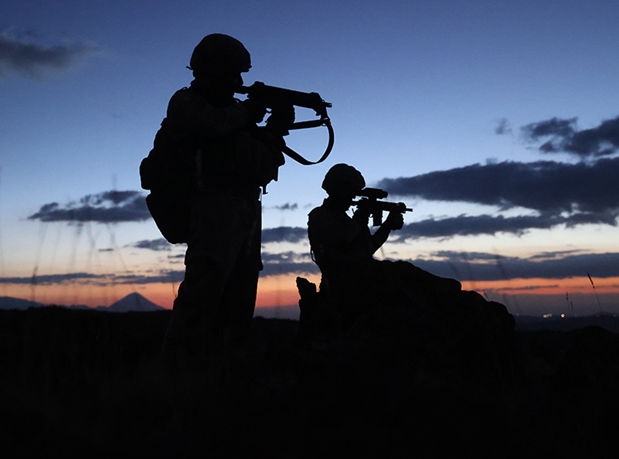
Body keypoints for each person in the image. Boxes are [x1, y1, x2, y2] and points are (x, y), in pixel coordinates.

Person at [160, 34, 294, 365]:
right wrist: (251, 110)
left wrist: (275, 129)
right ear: (213, 73)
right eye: (234, 75)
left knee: (239, 296)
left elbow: (258, 162)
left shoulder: (234, 113)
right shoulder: (187, 104)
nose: (239, 82)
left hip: (244, 209)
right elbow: (213, 127)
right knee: (203, 294)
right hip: (211, 208)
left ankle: (222, 372)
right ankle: (177, 376)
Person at [303, 163, 461, 334]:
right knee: (399, 274)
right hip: (341, 284)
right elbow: (344, 237)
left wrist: (387, 226)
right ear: (339, 189)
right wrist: (361, 216)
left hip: (361, 276)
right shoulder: (319, 215)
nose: (353, 197)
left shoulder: (349, 219)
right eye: (351, 191)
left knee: (403, 270)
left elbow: (366, 250)